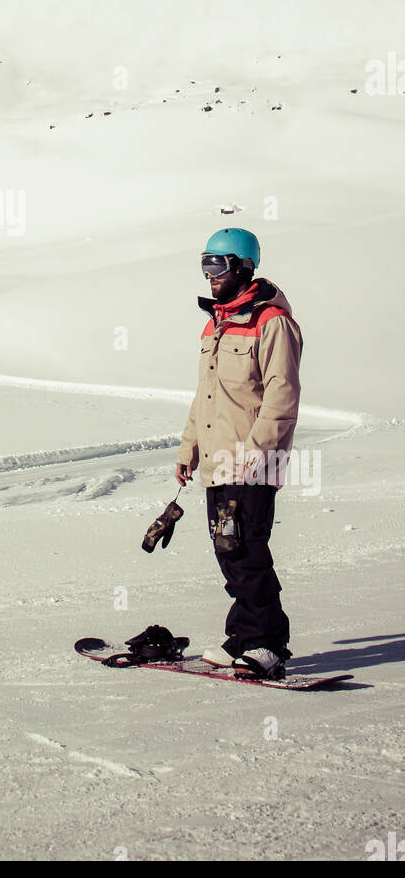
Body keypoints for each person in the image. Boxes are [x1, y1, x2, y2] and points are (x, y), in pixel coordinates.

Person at [175, 228, 303, 677]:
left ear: (245, 266)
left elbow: (282, 395)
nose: (210, 274)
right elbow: (205, 394)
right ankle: (244, 633)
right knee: (228, 550)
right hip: (216, 459)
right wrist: (189, 448)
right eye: (204, 263)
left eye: (219, 264)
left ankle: (267, 643)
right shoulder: (216, 323)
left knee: (247, 551)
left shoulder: (272, 322)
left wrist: (255, 452)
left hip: (251, 460)